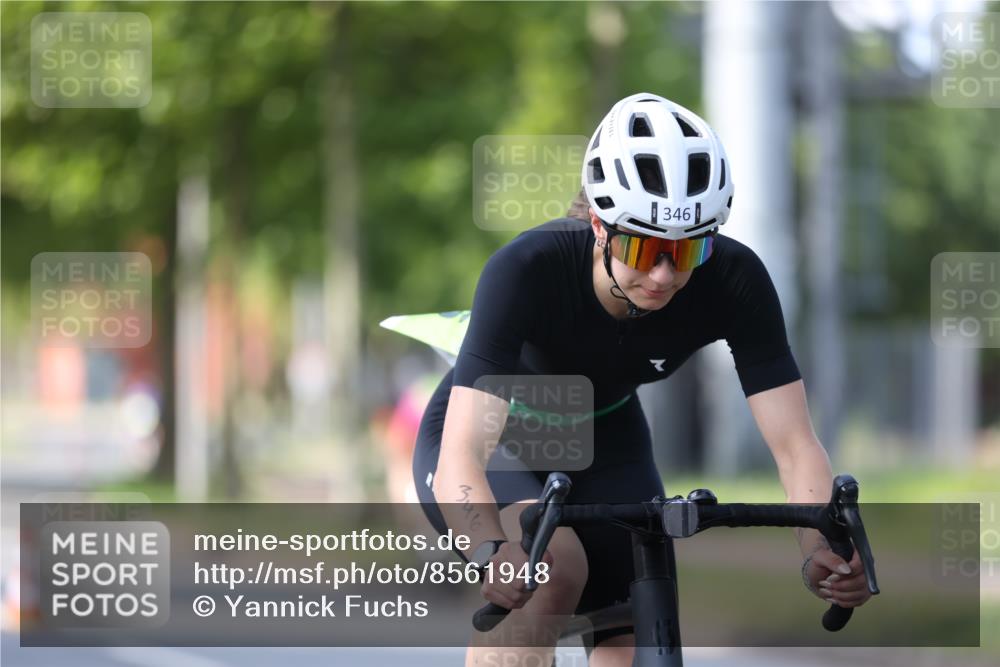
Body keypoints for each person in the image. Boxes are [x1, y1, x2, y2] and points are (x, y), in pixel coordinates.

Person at [412, 92, 871, 666]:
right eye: (644, 246)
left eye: (685, 252)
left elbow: (796, 445)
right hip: (499, 434)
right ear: (600, 227)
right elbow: (461, 454)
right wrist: (489, 551)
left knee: (640, 615)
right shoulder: (527, 269)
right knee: (552, 568)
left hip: (609, 433)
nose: (662, 274)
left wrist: (818, 548)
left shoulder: (734, 279)